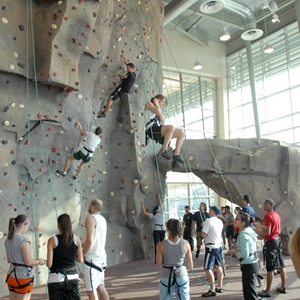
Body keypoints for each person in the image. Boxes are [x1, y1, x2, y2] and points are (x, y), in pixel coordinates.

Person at [5, 214, 46, 299]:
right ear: (23, 225)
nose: (27, 229)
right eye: (27, 226)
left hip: (11, 275)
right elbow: (28, 262)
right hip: (23, 277)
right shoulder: (24, 240)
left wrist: (31, 262)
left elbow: (14, 259)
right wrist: (39, 261)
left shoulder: (8, 240)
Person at [46, 214, 83, 300]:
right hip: (73, 277)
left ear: (58, 225)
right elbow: (80, 259)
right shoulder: (76, 239)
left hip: (56, 278)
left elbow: (49, 264)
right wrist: (70, 256)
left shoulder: (52, 240)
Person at [255, 199, 287, 298]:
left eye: (266, 205)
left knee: (270, 267)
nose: (264, 206)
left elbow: (268, 232)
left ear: (271, 205)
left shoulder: (268, 216)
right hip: (277, 240)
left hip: (271, 242)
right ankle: (283, 286)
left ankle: (267, 290)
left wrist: (259, 232)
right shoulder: (276, 215)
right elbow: (275, 230)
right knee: (281, 265)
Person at [156, 218, 193, 300]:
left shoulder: (160, 245)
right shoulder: (186, 243)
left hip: (166, 274)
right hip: (181, 273)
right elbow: (190, 264)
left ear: (167, 229)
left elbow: (159, 262)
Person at [227, 211, 259, 300]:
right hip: (253, 262)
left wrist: (234, 253)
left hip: (249, 265)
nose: (234, 220)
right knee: (250, 291)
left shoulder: (243, 235)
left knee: (250, 293)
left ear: (243, 223)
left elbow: (244, 254)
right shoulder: (248, 231)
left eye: (237, 219)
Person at [144, 94, 185, 164]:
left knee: (181, 133)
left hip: (157, 130)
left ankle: (176, 153)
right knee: (171, 127)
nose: (162, 105)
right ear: (158, 99)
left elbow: (162, 119)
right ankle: (164, 150)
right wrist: (156, 103)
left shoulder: (157, 108)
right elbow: (158, 112)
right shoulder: (149, 104)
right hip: (151, 130)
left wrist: (157, 104)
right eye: (162, 102)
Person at [83, 198, 110, 300]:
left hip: (92, 258)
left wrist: (82, 253)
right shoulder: (102, 219)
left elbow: (90, 240)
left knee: (91, 291)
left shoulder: (91, 218)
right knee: (101, 287)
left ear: (92, 207)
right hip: (101, 257)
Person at [97, 53, 136, 118]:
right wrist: (124, 57)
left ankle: (104, 113)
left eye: (128, 68)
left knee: (110, 99)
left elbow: (123, 77)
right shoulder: (134, 74)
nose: (127, 69)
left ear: (131, 68)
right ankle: (105, 110)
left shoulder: (130, 74)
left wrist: (118, 75)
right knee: (111, 98)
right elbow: (127, 64)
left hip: (121, 89)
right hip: (123, 89)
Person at [201, 206, 224, 297]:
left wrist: (203, 226)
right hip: (219, 246)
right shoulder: (220, 221)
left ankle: (212, 289)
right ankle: (219, 286)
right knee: (218, 266)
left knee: (208, 268)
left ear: (213, 211)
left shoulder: (208, 221)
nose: (209, 210)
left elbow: (203, 234)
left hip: (210, 247)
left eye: (210, 209)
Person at [141, 193, 166, 263]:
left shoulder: (154, 215)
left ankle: (158, 259)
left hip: (158, 230)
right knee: (161, 244)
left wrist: (142, 206)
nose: (160, 209)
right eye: (159, 209)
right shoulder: (159, 214)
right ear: (158, 210)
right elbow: (161, 205)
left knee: (158, 245)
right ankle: (161, 259)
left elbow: (145, 213)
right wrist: (159, 198)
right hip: (161, 229)